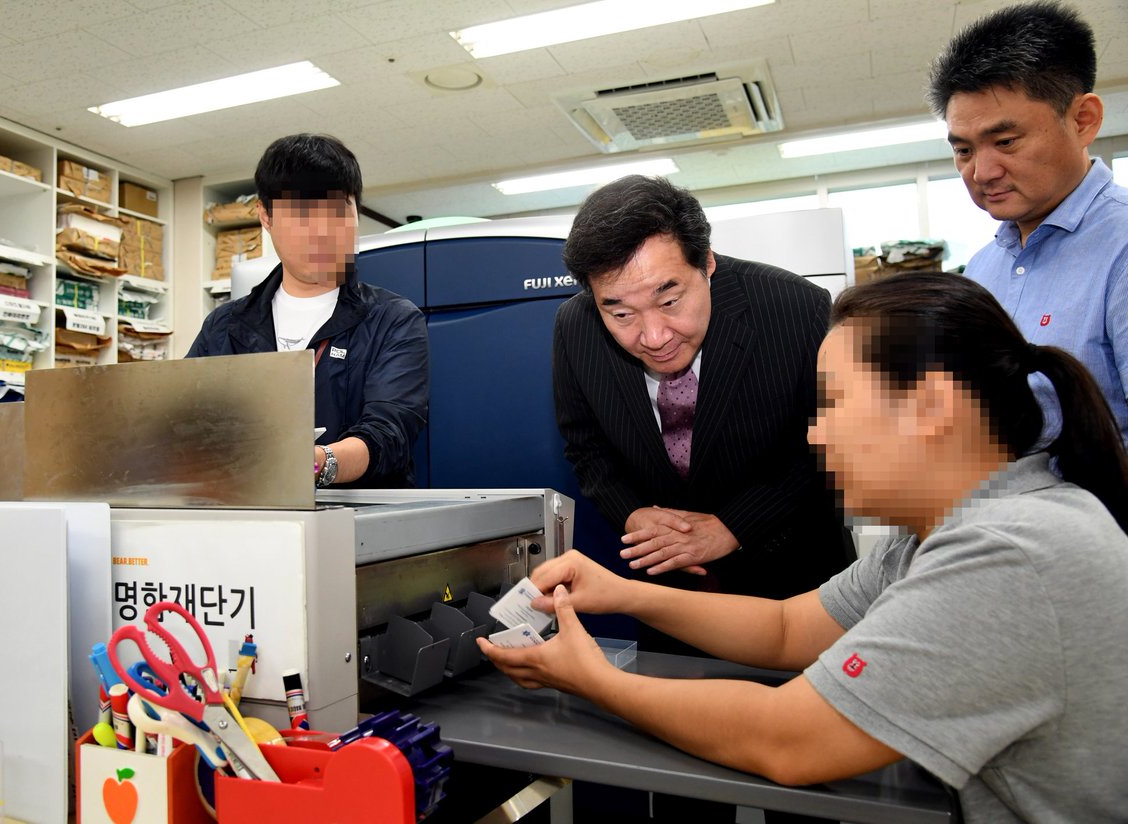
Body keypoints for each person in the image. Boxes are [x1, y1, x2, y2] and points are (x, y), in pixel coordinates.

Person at [482, 271, 1128, 823]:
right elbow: (789, 628)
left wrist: (594, 680)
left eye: (834, 402)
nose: (816, 435)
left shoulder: (1007, 554)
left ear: (932, 406)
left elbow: (787, 739)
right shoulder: (933, 538)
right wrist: (625, 593)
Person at [554, 174, 853, 603]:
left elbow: (828, 443)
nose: (654, 337)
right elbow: (586, 447)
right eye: (621, 315)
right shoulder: (575, 327)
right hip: (666, 590)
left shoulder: (795, 307)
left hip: (793, 576)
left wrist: (735, 525)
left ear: (706, 262)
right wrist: (633, 514)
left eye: (669, 301)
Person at [928, 1, 1128, 442]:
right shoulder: (982, 268)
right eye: (964, 151)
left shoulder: (1121, 248)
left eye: (1005, 141)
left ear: (1083, 120)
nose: (982, 172)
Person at [187, 134, 428, 488]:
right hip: (244, 512)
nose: (322, 232)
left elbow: (389, 432)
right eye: (301, 214)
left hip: (359, 514)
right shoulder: (223, 327)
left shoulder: (393, 320)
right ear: (266, 216)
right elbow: (184, 425)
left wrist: (315, 464)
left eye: (337, 211)